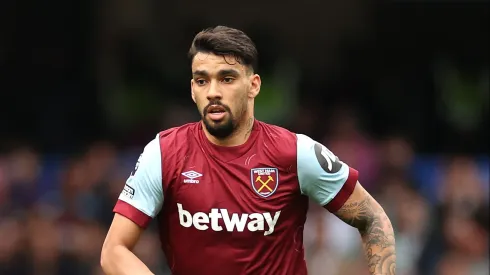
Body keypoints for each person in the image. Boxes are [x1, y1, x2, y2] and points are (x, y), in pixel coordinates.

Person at [100, 26, 396, 275]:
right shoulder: (164, 153)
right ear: (192, 89)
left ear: (253, 85)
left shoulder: (295, 152)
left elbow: (372, 218)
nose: (213, 91)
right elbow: (114, 250)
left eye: (226, 79)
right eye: (202, 80)